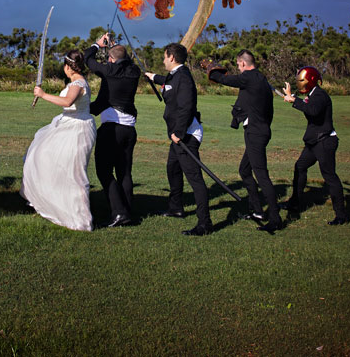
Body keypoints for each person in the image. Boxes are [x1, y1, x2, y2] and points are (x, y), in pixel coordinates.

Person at [206, 49, 282, 232]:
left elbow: (224, 80)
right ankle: (257, 211)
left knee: (262, 176)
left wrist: (211, 69)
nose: (238, 68)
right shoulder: (261, 79)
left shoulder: (248, 77)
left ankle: (275, 219)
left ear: (242, 63)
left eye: (238, 65)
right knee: (245, 171)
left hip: (256, 132)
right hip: (260, 130)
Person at [22, 50, 98, 231]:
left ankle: (79, 218)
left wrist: (42, 94)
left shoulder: (78, 83)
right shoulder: (75, 81)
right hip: (67, 124)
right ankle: (48, 199)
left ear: (68, 67)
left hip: (77, 129)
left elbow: (67, 102)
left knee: (74, 172)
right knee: (41, 156)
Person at [146, 42, 212, 236]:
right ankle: (176, 208)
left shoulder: (183, 77)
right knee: (173, 169)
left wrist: (179, 133)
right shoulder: (175, 75)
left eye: (165, 56)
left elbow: (187, 106)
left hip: (186, 136)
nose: (163, 59)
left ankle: (204, 224)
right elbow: (167, 83)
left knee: (195, 179)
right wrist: (152, 77)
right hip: (178, 135)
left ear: (172, 57)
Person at [84, 32, 141, 227]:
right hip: (129, 130)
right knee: (124, 172)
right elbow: (124, 61)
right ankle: (127, 210)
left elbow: (87, 59)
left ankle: (118, 213)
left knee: (104, 170)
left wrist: (98, 44)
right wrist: (114, 49)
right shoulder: (134, 72)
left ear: (110, 59)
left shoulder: (109, 70)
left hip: (111, 130)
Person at [280, 66, 348, 225]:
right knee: (300, 166)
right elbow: (308, 106)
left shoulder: (320, 95)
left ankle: (341, 215)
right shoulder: (312, 94)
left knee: (329, 177)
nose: (299, 83)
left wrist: (294, 100)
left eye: (301, 80)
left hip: (324, 142)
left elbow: (313, 110)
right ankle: (295, 202)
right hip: (314, 142)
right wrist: (292, 97)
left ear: (310, 80)